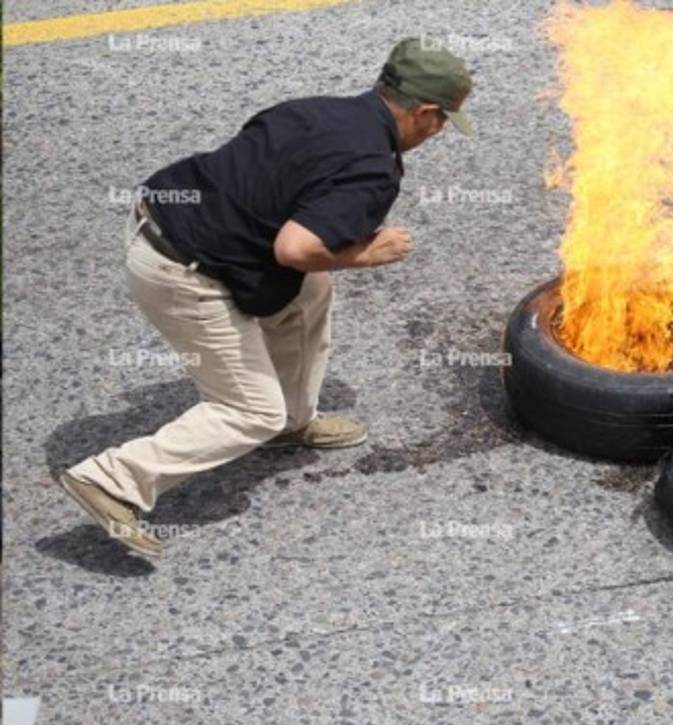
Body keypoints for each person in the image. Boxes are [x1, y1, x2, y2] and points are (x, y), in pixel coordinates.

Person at [59, 38, 474, 558]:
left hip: (164, 218)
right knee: (248, 411)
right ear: (426, 111)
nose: (438, 134)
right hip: (181, 271)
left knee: (308, 293)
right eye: (442, 123)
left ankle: (292, 421)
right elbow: (296, 246)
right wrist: (367, 253)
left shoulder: (315, 111)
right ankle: (112, 479)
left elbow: (262, 183)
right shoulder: (372, 167)